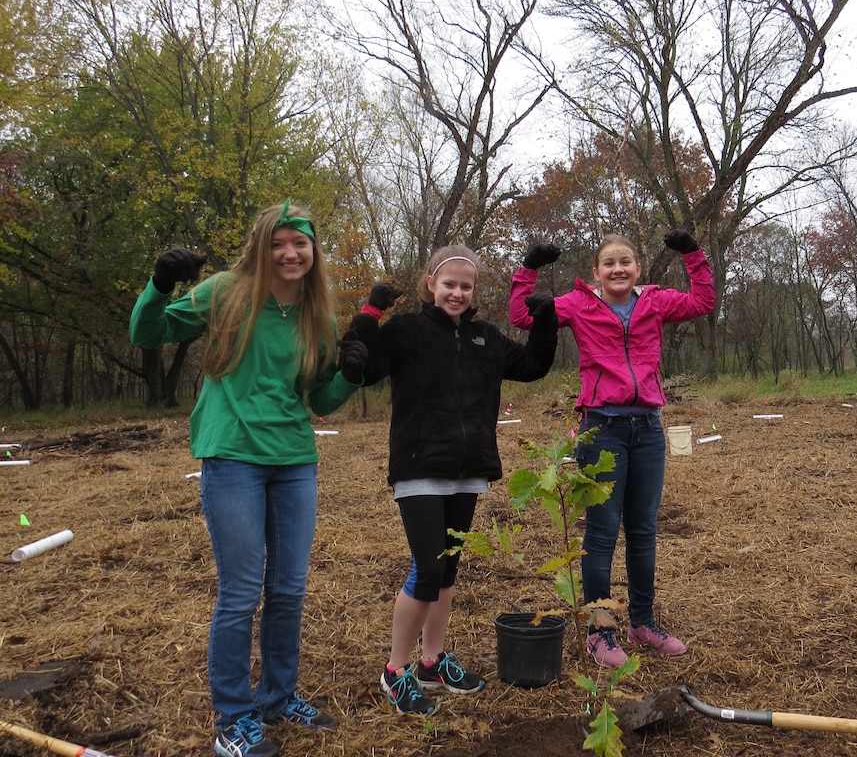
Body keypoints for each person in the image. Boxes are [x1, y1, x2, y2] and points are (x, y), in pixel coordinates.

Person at [130, 202, 368, 757]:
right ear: (261, 247)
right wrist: (159, 282)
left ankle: (279, 698)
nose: (290, 253)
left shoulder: (319, 317)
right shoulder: (224, 292)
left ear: (313, 251)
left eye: (300, 244)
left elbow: (319, 398)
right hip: (232, 454)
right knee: (240, 594)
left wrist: (352, 376)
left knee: (288, 590)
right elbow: (149, 335)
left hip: (293, 460)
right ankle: (234, 718)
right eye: (279, 243)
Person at [346, 245, 558, 715]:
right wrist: (371, 311)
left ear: (474, 290)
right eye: (449, 284)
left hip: (468, 469)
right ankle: (395, 670)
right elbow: (363, 368)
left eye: (466, 286)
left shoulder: (486, 337)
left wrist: (545, 320)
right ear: (431, 285)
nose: (457, 293)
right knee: (427, 568)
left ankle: (432, 660)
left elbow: (532, 366)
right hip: (419, 467)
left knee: (447, 570)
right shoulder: (406, 330)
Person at [509, 230, 715, 667]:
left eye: (626, 262)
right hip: (601, 428)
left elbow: (703, 303)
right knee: (601, 534)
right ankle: (601, 631)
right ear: (596, 273)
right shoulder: (578, 305)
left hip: (649, 430)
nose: (618, 269)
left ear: (638, 268)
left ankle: (643, 622)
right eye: (609, 263)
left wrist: (692, 255)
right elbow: (522, 318)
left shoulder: (656, 302)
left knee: (643, 532)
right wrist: (529, 267)